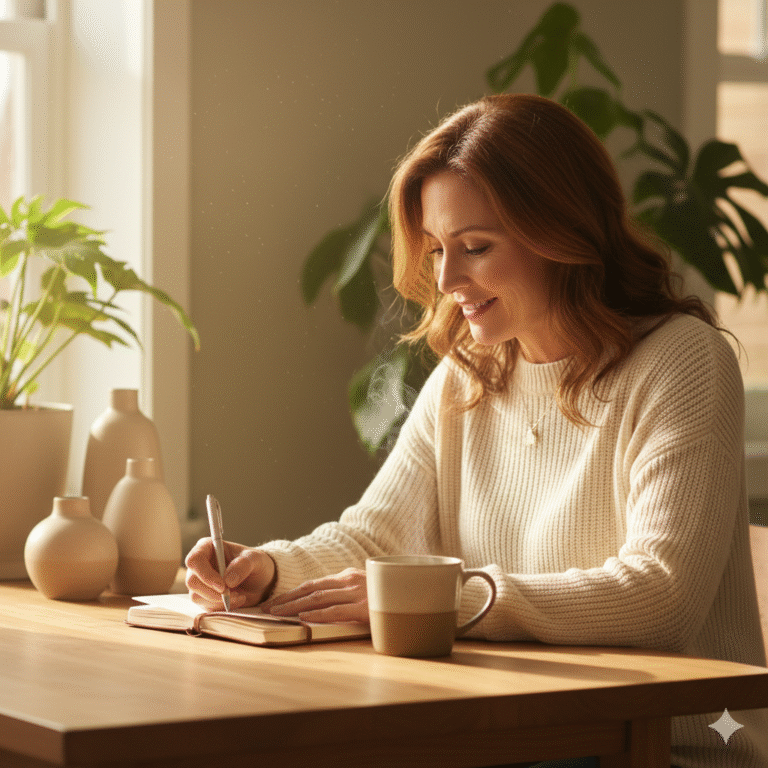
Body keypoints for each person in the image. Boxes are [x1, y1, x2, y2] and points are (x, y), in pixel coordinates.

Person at [186, 93, 768, 767]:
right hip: (516, 734)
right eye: (437, 249)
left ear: (565, 234)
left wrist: (447, 600)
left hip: (672, 748)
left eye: (476, 247)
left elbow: (660, 593)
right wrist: (272, 571)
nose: (447, 278)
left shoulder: (683, 360)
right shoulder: (474, 372)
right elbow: (375, 536)